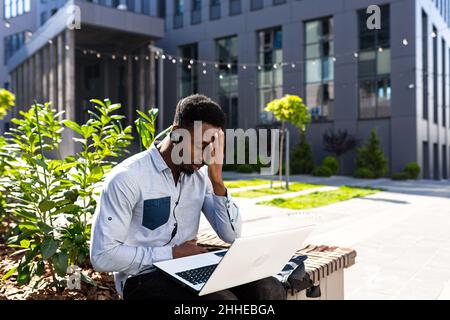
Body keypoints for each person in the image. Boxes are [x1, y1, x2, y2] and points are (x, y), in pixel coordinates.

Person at [90, 94, 286, 300]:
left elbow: (231, 234)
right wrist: (171, 254)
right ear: (177, 134)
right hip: (142, 279)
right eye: (202, 146)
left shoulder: (201, 177)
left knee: (268, 287)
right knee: (221, 301)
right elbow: (103, 256)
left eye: (213, 148)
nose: (206, 157)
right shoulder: (128, 178)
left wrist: (217, 181)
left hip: (189, 268)